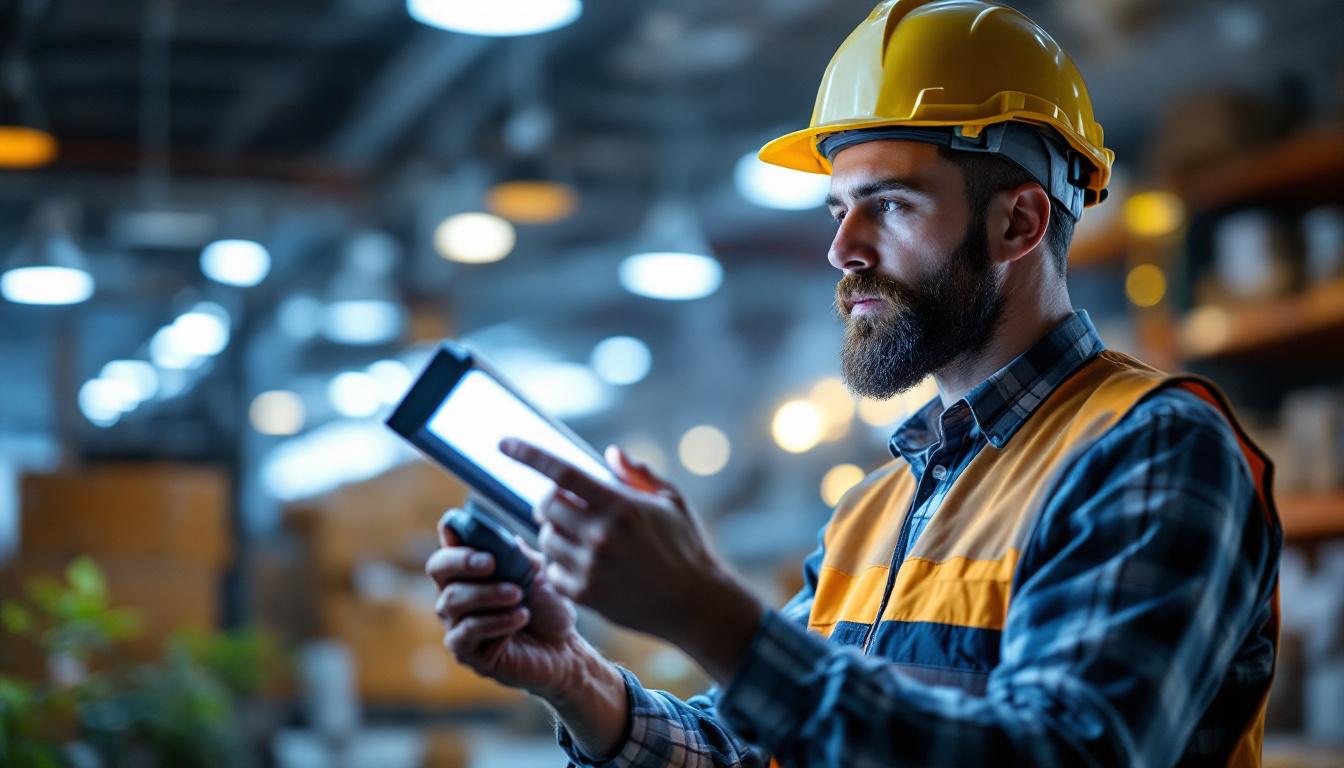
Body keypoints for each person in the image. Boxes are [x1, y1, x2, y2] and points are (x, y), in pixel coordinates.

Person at [424, 1, 1282, 765]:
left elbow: (1061, 750)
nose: (843, 250)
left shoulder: (1151, 448)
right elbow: (748, 746)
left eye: (893, 205)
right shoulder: (875, 511)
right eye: (839, 211)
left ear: (1019, 220)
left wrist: (703, 610)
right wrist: (577, 679)